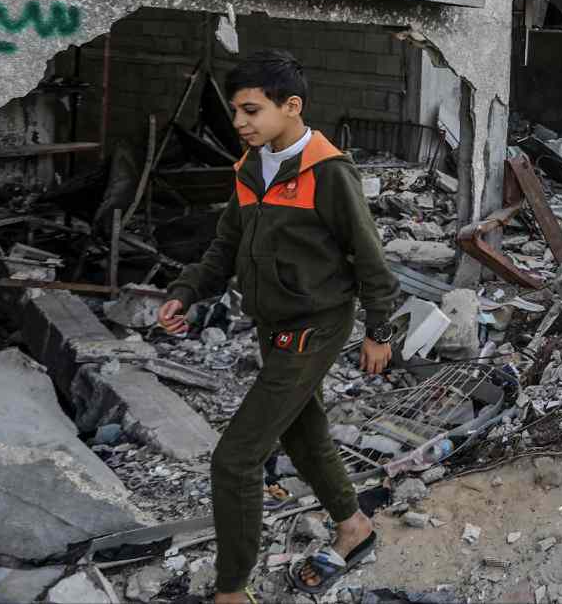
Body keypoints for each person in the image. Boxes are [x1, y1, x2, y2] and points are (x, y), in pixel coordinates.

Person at [157, 51, 401, 602]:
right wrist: (186, 292)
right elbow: (226, 245)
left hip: (317, 325)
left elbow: (370, 259)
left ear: (291, 107)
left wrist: (379, 331)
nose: (240, 123)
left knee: (236, 460)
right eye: (237, 111)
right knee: (301, 428)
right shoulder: (250, 167)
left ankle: (231, 590)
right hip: (272, 324)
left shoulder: (329, 171)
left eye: (251, 110)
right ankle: (353, 526)